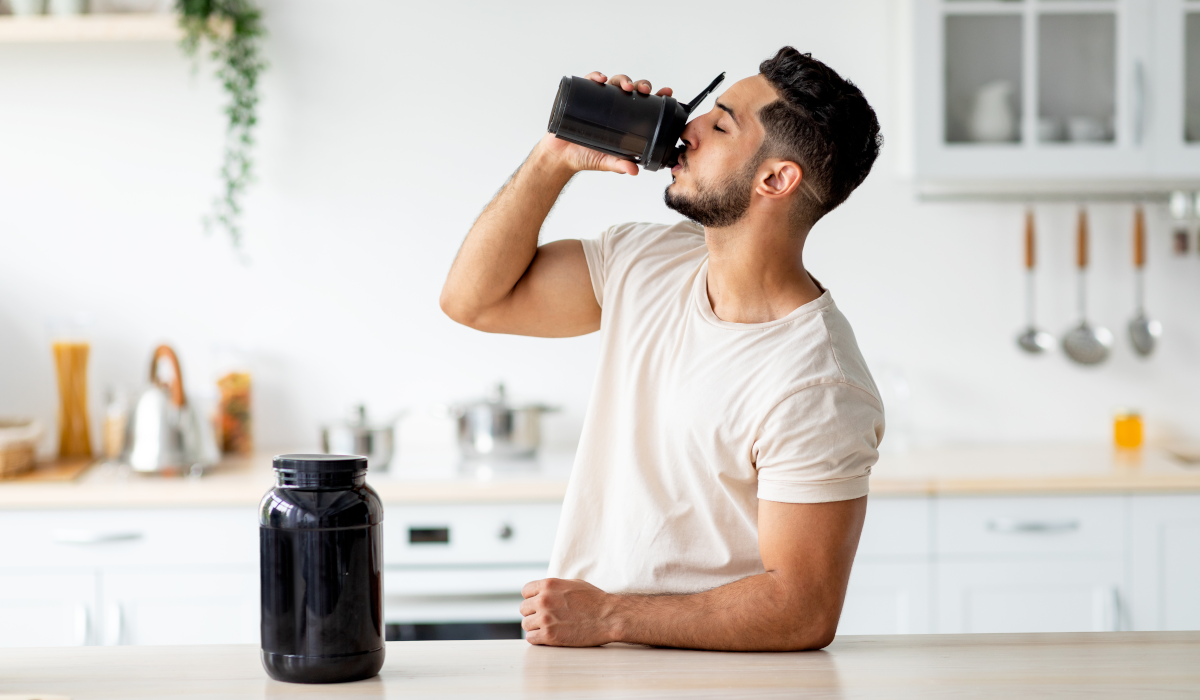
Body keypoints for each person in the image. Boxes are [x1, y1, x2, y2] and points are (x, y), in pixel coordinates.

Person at [439, 46, 884, 652]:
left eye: (721, 123)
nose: (689, 126)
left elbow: (800, 609)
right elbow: (474, 301)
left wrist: (609, 617)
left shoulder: (819, 384)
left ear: (775, 179)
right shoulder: (646, 262)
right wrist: (555, 158)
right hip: (589, 669)